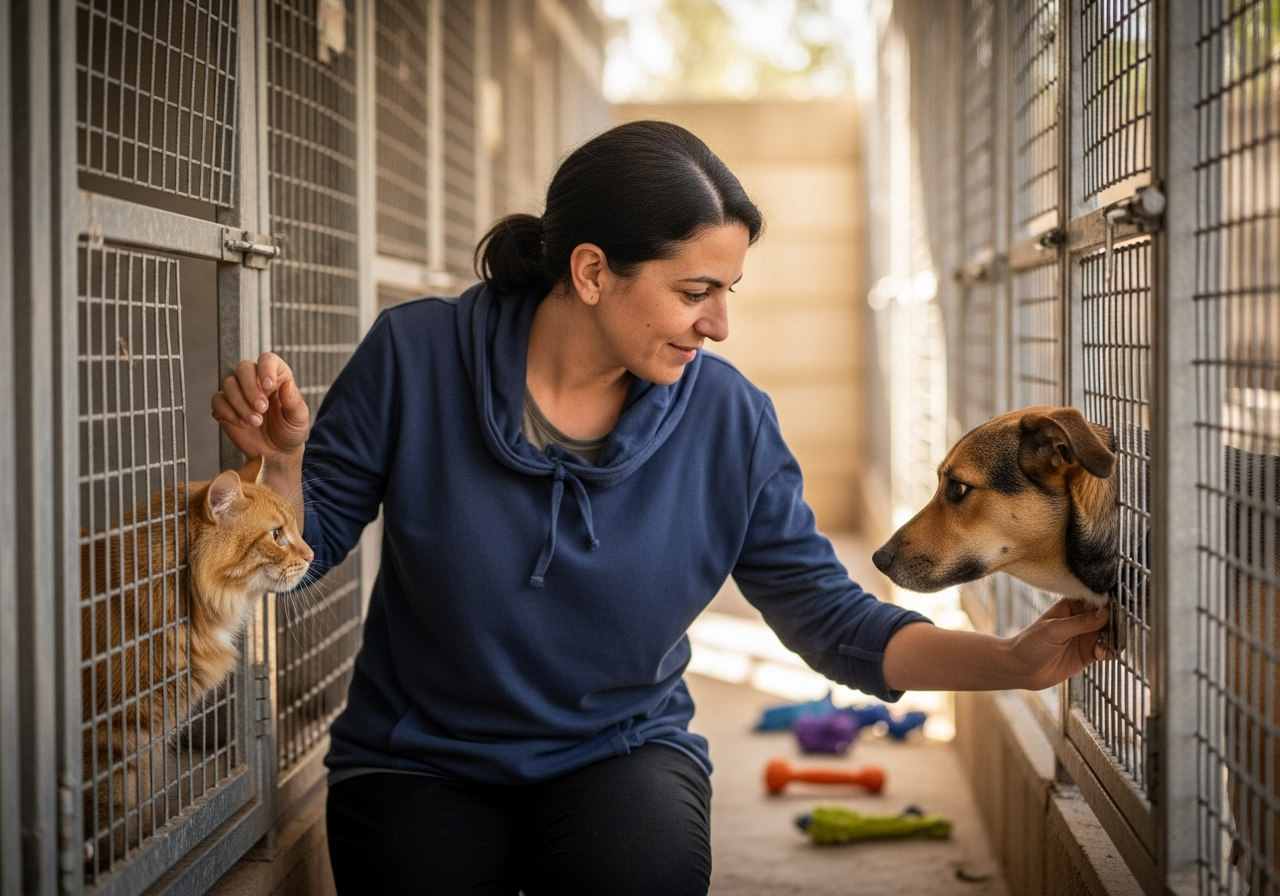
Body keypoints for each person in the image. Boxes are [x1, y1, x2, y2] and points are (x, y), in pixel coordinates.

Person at [212, 120, 1110, 896]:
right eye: (694, 292)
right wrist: (283, 459)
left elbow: (825, 616)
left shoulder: (731, 421)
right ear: (593, 271)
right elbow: (309, 544)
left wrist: (1010, 663)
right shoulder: (416, 355)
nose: (719, 325)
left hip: (618, 750)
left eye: (728, 293)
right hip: (417, 758)